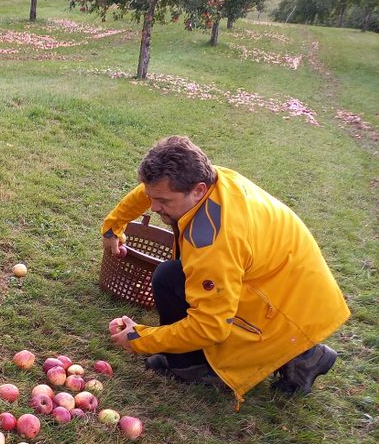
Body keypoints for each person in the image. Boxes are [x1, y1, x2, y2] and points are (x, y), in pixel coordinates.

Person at [102, 136, 349, 404]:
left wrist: (141, 338)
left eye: (162, 201)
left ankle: (190, 365)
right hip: (287, 280)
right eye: (152, 197)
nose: (153, 207)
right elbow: (149, 192)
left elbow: (211, 327)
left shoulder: (215, 242)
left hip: (286, 301)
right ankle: (304, 356)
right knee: (177, 276)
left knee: (170, 279)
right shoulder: (208, 181)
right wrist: (114, 224)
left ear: (197, 190)